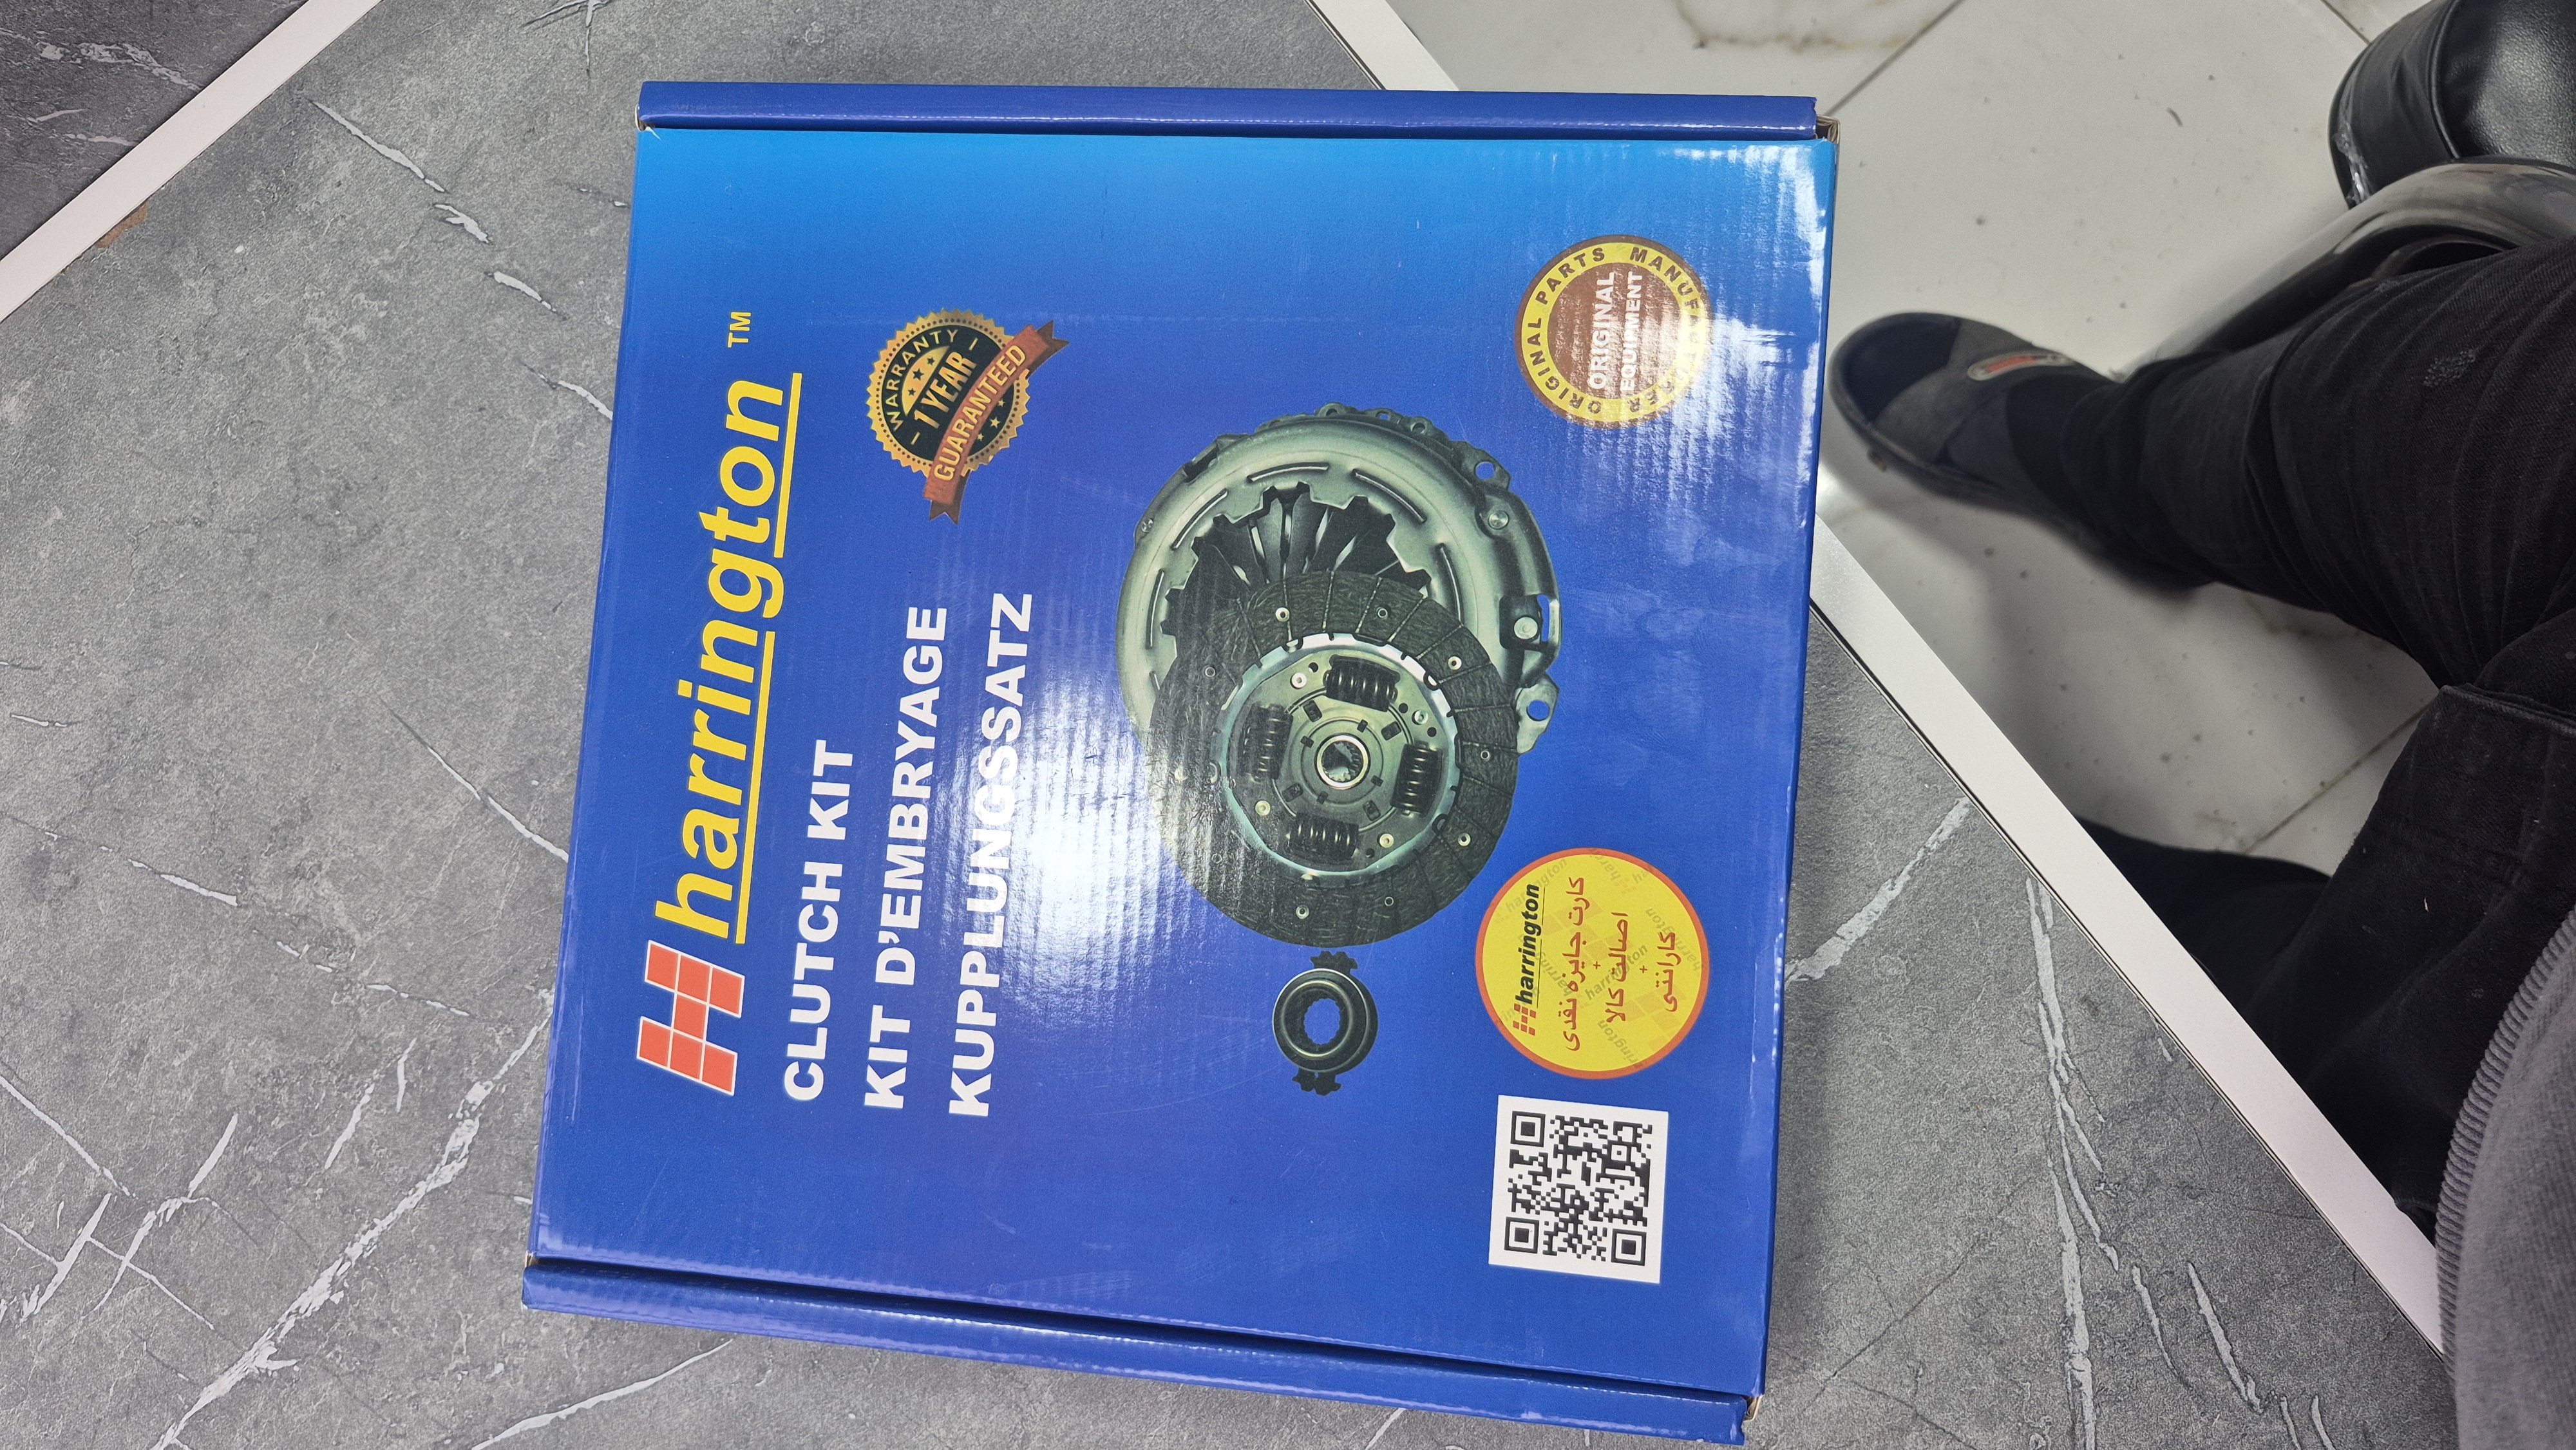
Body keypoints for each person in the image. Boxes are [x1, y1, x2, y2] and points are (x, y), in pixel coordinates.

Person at [1830, 231, 2576, 1444]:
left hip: (2503, 1187)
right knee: (2323, 416)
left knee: (2121, 977)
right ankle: (2099, 456)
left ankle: (1995, 872)